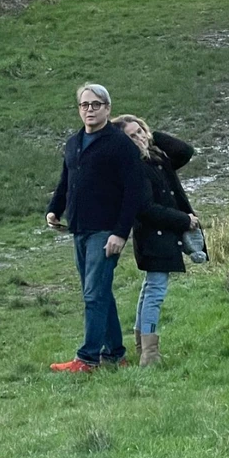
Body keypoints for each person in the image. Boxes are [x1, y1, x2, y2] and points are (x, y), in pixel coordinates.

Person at [46, 83, 145, 372]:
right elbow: (66, 181)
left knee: (93, 294)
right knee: (100, 292)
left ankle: (87, 359)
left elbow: (133, 192)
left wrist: (120, 233)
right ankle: (115, 354)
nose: (90, 110)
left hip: (106, 231)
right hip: (79, 228)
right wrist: (54, 209)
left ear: (107, 108)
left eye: (96, 105)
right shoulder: (73, 143)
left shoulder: (119, 144)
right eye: (84, 105)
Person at [111, 114, 203, 366]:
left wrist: (153, 135)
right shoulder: (134, 167)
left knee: (150, 288)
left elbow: (185, 151)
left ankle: (143, 348)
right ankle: (149, 354)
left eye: (140, 131)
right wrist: (184, 220)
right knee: (155, 292)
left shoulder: (156, 158)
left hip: (162, 236)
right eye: (132, 136)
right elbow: (146, 208)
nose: (139, 137)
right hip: (153, 237)